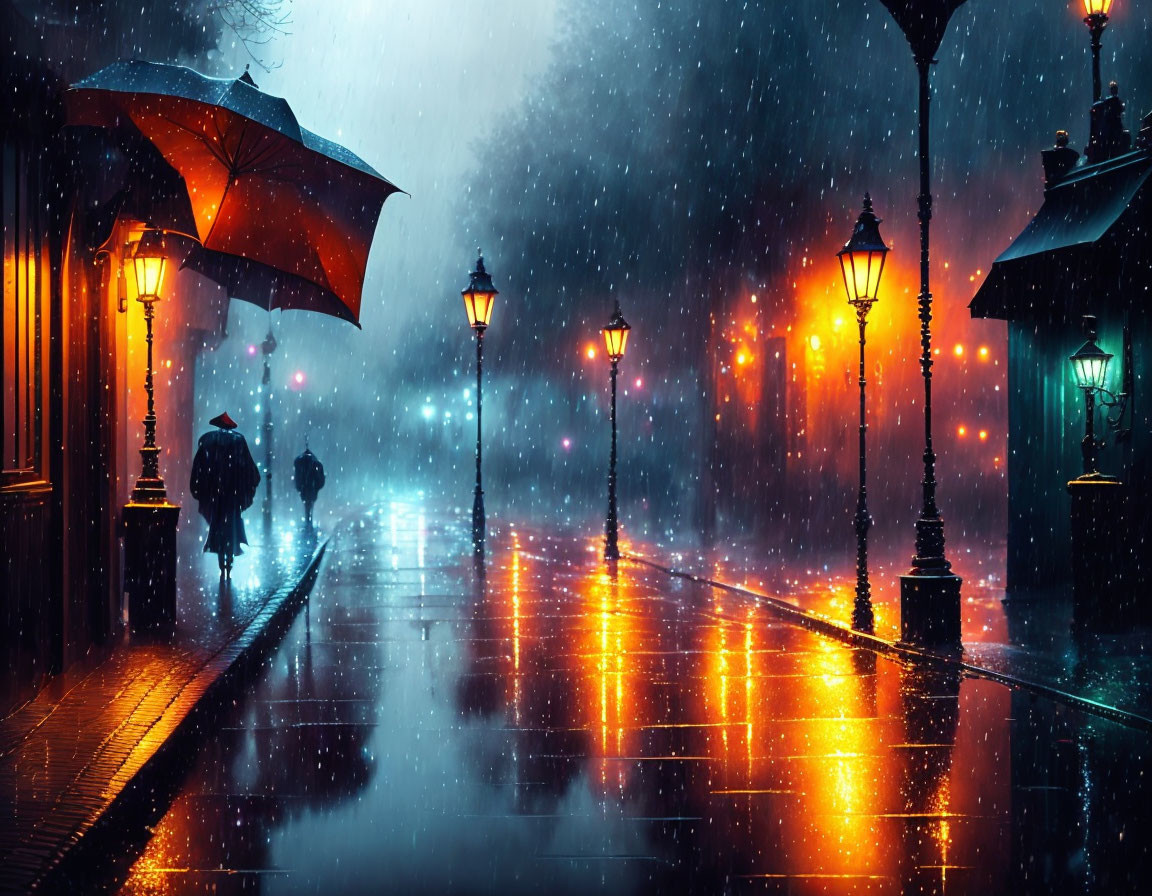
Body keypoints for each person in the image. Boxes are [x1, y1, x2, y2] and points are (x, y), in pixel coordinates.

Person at [190, 411, 261, 578]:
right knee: (232, 528)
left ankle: (222, 561)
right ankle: (229, 560)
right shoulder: (238, 441)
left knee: (217, 526)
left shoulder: (208, 442)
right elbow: (251, 471)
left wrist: (202, 489)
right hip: (233, 496)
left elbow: (198, 470)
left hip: (215, 495)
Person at [293, 442, 326, 526]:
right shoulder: (316, 464)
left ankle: (307, 525)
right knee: (309, 508)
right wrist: (316, 487)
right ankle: (308, 526)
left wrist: (300, 487)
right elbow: (321, 481)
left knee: (307, 508)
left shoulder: (299, 463)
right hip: (311, 490)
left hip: (305, 490)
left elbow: (297, 480)